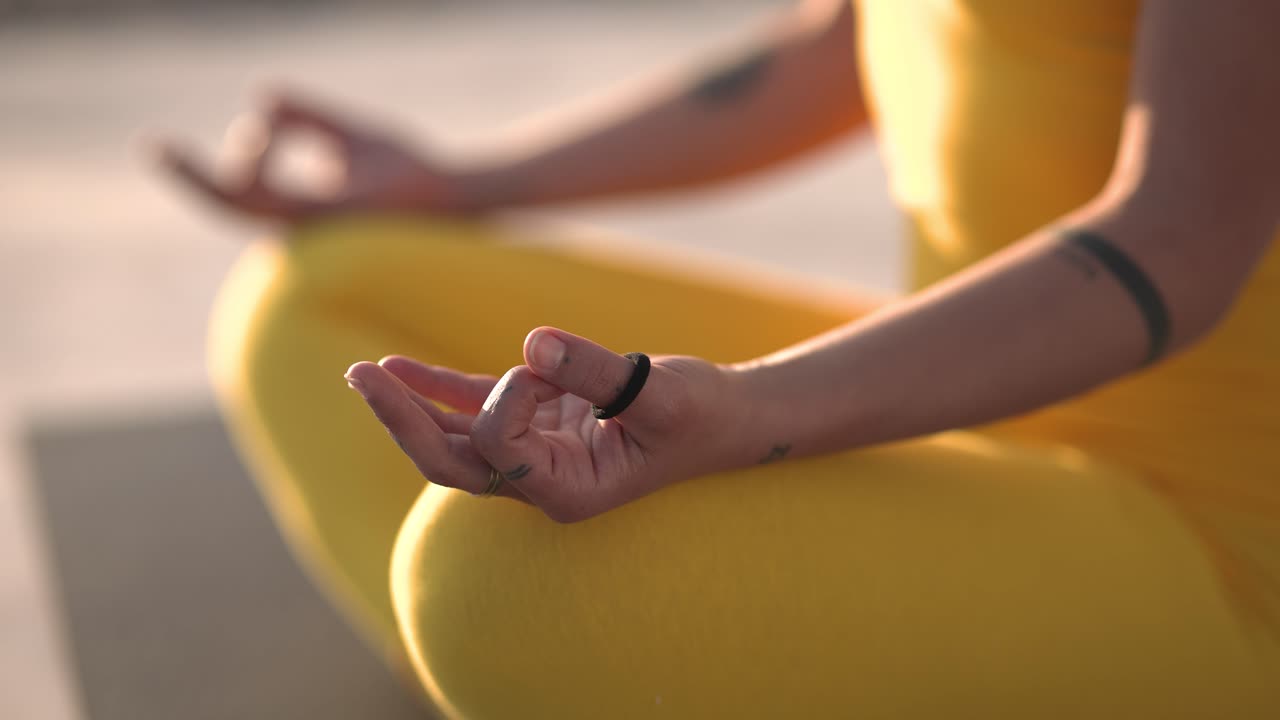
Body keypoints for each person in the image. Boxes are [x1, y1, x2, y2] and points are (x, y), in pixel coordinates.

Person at [156, 0, 1280, 716]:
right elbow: (842, 42)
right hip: (969, 404)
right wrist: (461, 184)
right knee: (325, 296)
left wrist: (747, 410)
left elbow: (1180, 240)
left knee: (494, 575)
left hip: (1217, 543)